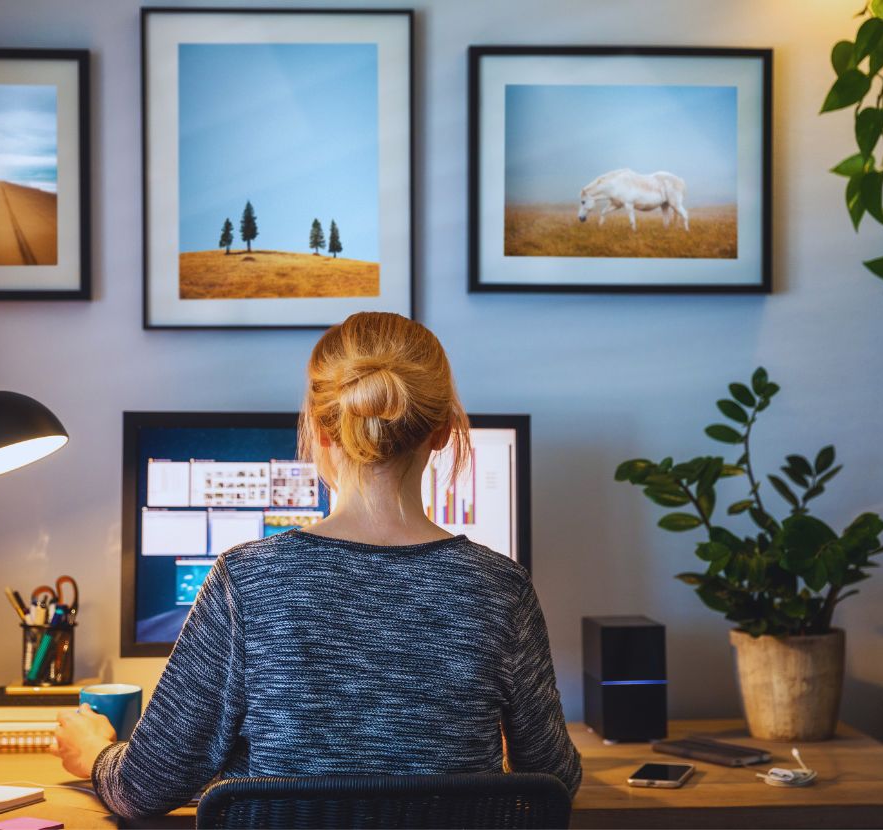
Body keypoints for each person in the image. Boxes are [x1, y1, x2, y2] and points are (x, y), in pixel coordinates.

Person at [54, 312, 582, 820]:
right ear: (443, 431)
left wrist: (96, 754)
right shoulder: (501, 589)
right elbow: (554, 779)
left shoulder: (247, 581)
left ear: (322, 432)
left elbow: (145, 788)